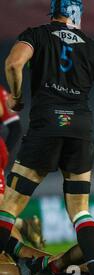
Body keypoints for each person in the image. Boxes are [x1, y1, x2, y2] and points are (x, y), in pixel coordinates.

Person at [0, 0, 94, 275]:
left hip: (46, 127)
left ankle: (26, 259)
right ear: (77, 14)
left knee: (11, 204)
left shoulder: (37, 34)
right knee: (80, 210)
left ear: (54, 13)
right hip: (80, 131)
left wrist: (16, 96)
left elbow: (14, 64)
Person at [0, 84, 44, 250]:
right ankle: (24, 226)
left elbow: (15, 128)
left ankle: (26, 263)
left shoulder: (0, 94)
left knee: (2, 214)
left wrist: (3, 155)